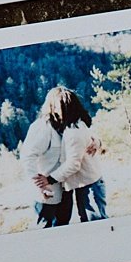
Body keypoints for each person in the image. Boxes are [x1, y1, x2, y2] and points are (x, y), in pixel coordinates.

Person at [14, 88, 75, 227]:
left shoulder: (67, 125)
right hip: (47, 193)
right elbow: (27, 156)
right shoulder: (42, 127)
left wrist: (96, 142)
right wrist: (39, 186)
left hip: (66, 190)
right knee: (45, 232)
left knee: (64, 229)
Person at [47, 89, 107, 222]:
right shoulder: (78, 124)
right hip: (87, 184)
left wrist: (50, 179)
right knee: (91, 224)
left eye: (56, 107)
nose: (54, 111)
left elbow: (73, 164)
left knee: (96, 226)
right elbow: (89, 138)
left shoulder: (73, 132)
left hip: (89, 185)